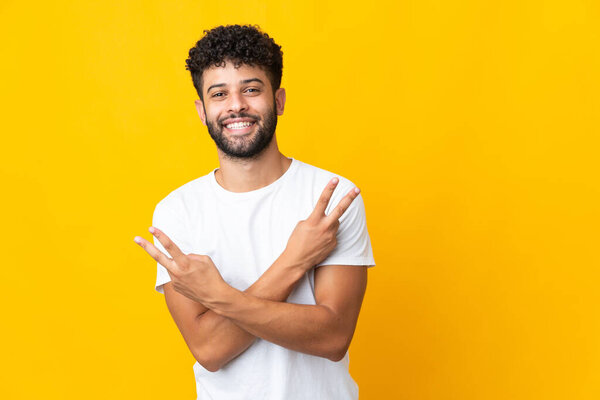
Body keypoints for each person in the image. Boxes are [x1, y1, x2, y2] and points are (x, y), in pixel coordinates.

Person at [134, 24, 375, 399]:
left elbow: (332, 337)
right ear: (202, 110)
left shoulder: (332, 197)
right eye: (219, 94)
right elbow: (210, 350)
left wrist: (220, 298)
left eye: (251, 89)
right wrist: (294, 262)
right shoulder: (177, 213)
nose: (236, 105)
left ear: (278, 100)